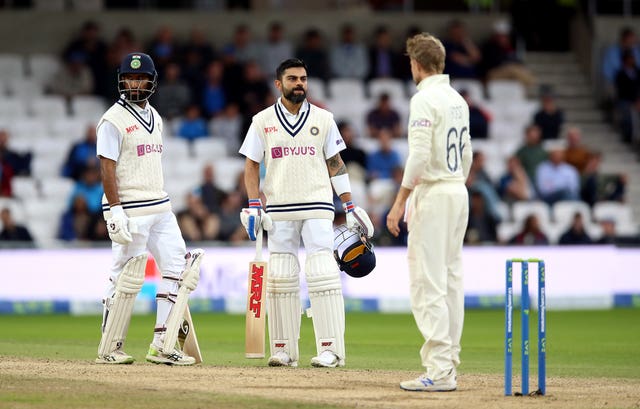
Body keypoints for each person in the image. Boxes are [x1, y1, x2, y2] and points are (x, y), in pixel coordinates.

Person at [239, 58, 373, 368]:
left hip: (318, 205)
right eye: (292, 79)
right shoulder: (262, 121)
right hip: (280, 207)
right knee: (282, 277)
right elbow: (251, 164)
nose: (299, 83)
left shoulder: (324, 119)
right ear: (279, 83)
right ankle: (284, 350)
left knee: (322, 273)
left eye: (303, 78)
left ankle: (331, 350)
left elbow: (335, 163)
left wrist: (349, 205)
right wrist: (254, 204)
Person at [95, 52, 203, 366]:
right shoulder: (112, 120)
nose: (134, 83)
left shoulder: (156, 117)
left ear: (152, 81)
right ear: (121, 80)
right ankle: (110, 346)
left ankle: (163, 343)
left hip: (160, 204)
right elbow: (107, 168)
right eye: (129, 77)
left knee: (176, 267)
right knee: (125, 277)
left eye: (140, 78)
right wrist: (114, 210)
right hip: (129, 208)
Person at [386, 33, 472, 392]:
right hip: (457, 189)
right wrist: (454, 184)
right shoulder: (457, 99)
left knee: (428, 282)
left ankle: (438, 371)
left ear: (416, 64)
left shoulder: (424, 100)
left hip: (435, 192)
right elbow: (467, 153)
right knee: (451, 280)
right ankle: (448, 362)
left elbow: (419, 156)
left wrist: (401, 200)